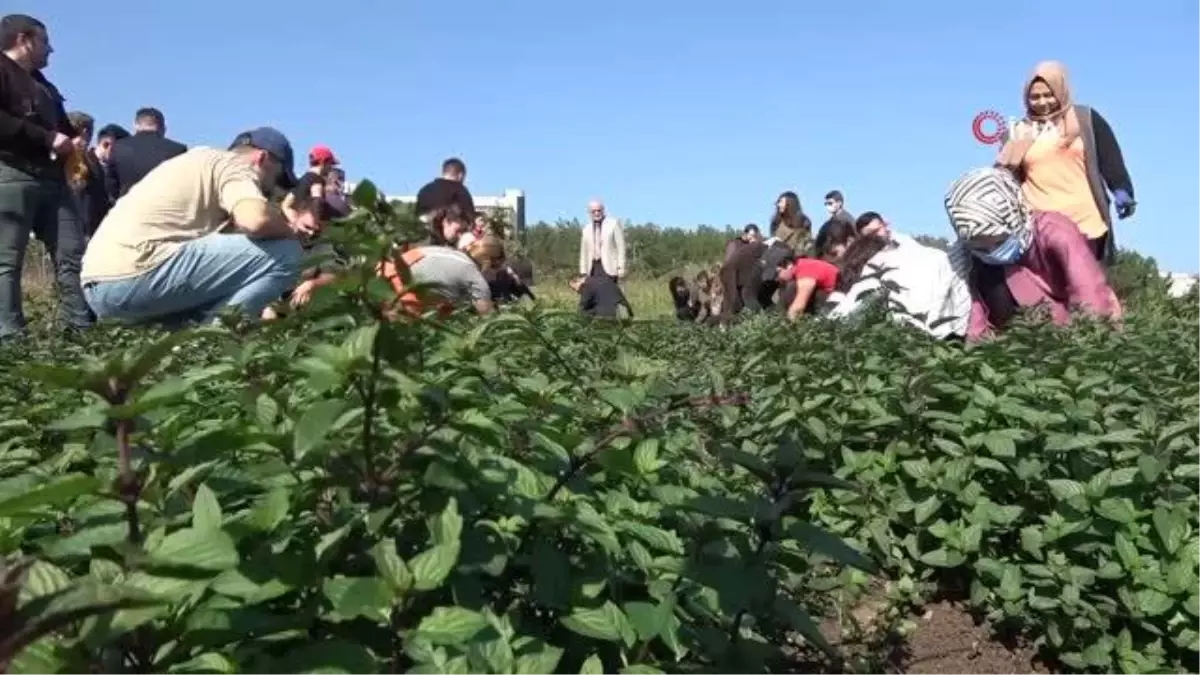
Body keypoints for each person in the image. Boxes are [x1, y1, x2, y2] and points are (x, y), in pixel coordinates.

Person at [81, 127, 307, 327]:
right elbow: (255, 220)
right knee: (287, 252)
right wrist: (292, 232)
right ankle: (212, 346)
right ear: (262, 158)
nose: (275, 189)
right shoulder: (234, 166)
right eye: (278, 177)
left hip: (97, 288)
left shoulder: (195, 162)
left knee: (225, 287)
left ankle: (184, 349)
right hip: (136, 271)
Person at [943, 167, 1119, 342]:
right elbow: (975, 314)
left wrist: (1088, 339)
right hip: (1026, 336)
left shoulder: (1056, 233)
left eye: (999, 241)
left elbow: (1089, 291)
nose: (992, 252)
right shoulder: (972, 258)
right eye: (981, 247)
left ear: (1015, 214)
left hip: (1075, 326)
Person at [0, 14, 92, 340]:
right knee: (8, 260)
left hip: (53, 180)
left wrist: (71, 140)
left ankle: (80, 329)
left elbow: (62, 127)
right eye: (44, 41)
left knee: (72, 255)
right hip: (12, 174)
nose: (50, 50)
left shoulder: (45, 85)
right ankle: (10, 338)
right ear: (24, 40)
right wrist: (45, 138)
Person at [996, 61, 1135, 267]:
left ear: (1061, 90)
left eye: (1048, 94)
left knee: (1084, 293)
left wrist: (1122, 191)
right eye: (1035, 97)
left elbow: (1111, 160)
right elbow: (1004, 178)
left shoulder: (1085, 118)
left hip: (1087, 226)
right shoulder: (1017, 132)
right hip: (1040, 230)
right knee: (1046, 296)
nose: (1042, 102)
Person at [105, 107, 187, 198]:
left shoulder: (118, 148)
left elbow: (111, 185)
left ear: (135, 125)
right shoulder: (177, 150)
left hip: (129, 207)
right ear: (163, 128)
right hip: (164, 209)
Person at [281, 144, 341, 228]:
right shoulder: (317, 180)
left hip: (299, 231)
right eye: (330, 164)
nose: (331, 168)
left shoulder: (302, 180)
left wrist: (295, 222)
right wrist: (315, 227)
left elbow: (285, 205)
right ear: (322, 162)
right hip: (312, 233)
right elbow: (317, 202)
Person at [578, 199, 626, 281]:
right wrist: (583, 271)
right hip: (592, 269)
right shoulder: (586, 229)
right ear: (589, 213)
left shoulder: (613, 224)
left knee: (610, 293)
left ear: (603, 210)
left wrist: (621, 267)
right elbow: (584, 252)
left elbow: (621, 248)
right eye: (593, 211)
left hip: (610, 268)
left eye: (599, 210)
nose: (596, 213)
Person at [768, 191, 814, 256]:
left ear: (790, 203)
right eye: (778, 202)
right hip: (777, 258)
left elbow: (806, 245)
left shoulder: (803, 221)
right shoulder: (776, 221)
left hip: (796, 259)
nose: (779, 205)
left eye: (781, 202)